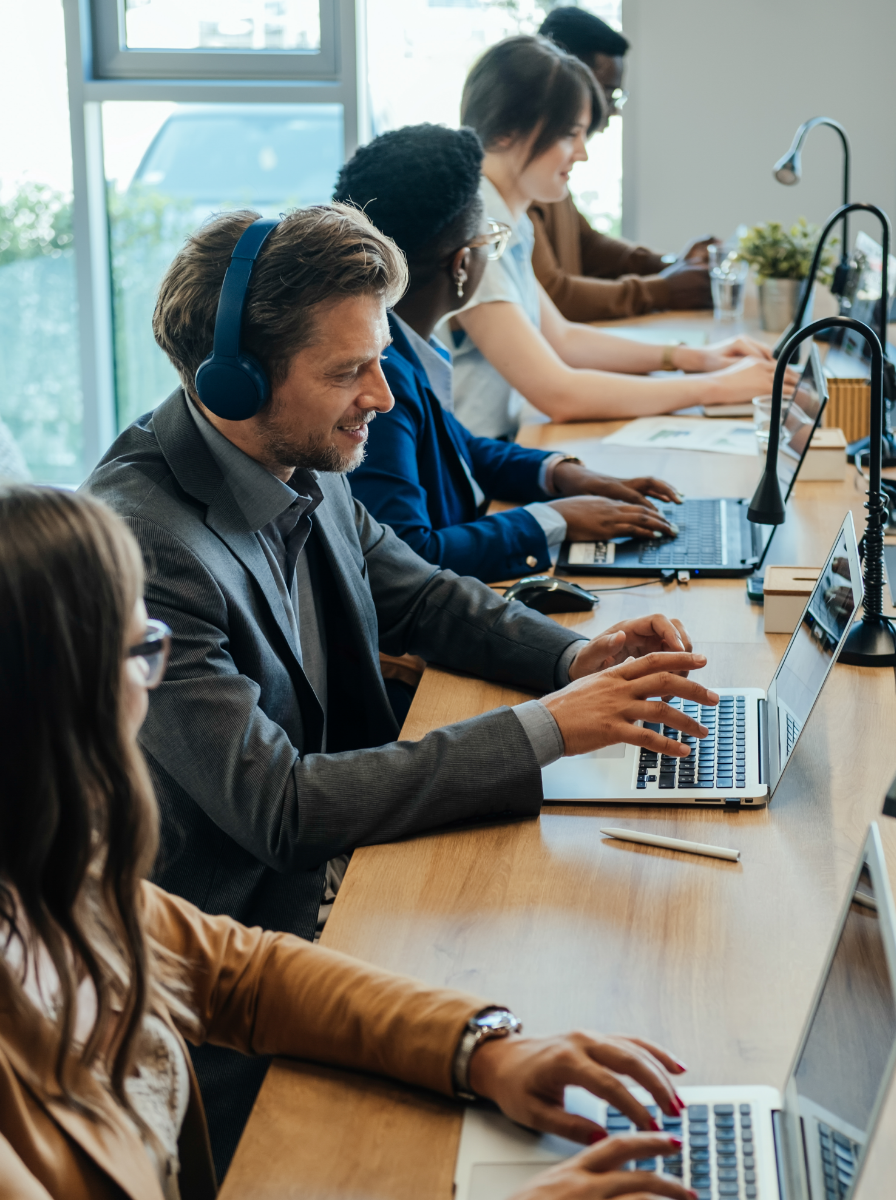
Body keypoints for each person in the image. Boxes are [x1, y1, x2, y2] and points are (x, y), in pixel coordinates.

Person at [83, 202, 719, 1174]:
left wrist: (572, 660)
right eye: (349, 371)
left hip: (353, 882)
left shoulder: (302, 450)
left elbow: (417, 594)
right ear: (234, 379)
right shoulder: (146, 546)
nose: (381, 395)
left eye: (377, 360)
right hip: (249, 962)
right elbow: (281, 808)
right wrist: (549, 728)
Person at [0, 483, 698, 1200]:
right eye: (140, 650)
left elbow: (245, 977)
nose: (150, 687)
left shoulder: (50, 873)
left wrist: (485, 1049)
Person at [337, 123, 684, 583]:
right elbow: (408, 556)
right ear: (462, 265)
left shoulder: (404, 342)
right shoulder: (382, 379)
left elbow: (460, 449)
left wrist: (559, 473)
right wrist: (555, 519)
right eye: (490, 242)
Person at [448, 35, 795, 440]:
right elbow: (560, 394)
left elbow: (564, 338)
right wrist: (717, 387)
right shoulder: (477, 231)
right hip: (471, 464)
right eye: (569, 134)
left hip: (496, 445)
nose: (582, 153)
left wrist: (697, 358)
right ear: (508, 130)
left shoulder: (508, 219)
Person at [534, 6, 714, 322]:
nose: (614, 109)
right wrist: (663, 289)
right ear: (570, 81)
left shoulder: (550, 171)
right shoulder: (524, 178)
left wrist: (670, 265)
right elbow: (553, 295)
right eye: (608, 92)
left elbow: (586, 246)